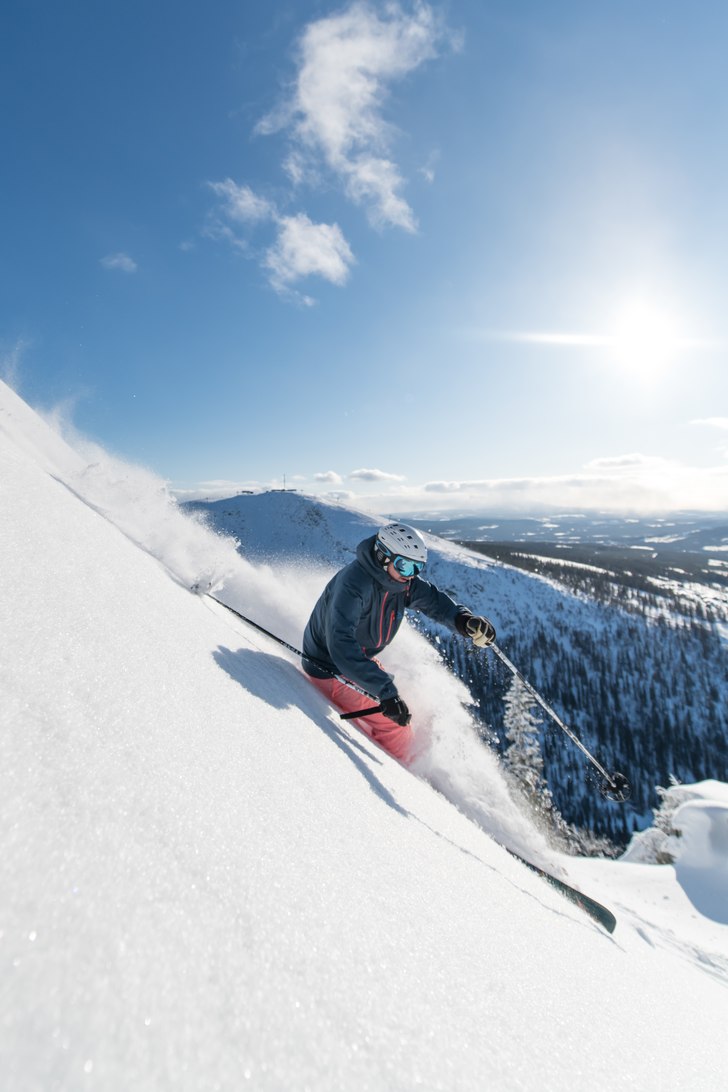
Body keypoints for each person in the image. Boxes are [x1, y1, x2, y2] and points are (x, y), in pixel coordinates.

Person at [302, 522, 496, 763]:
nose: (412, 574)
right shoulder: (354, 585)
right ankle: (401, 773)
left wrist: (463, 620)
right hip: (331, 668)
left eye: (418, 567)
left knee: (403, 707)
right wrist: (385, 693)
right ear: (383, 556)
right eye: (405, 565)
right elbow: (340, 644)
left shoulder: (400, 582)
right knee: (397, 726)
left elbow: (434, 602)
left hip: (357, 660)